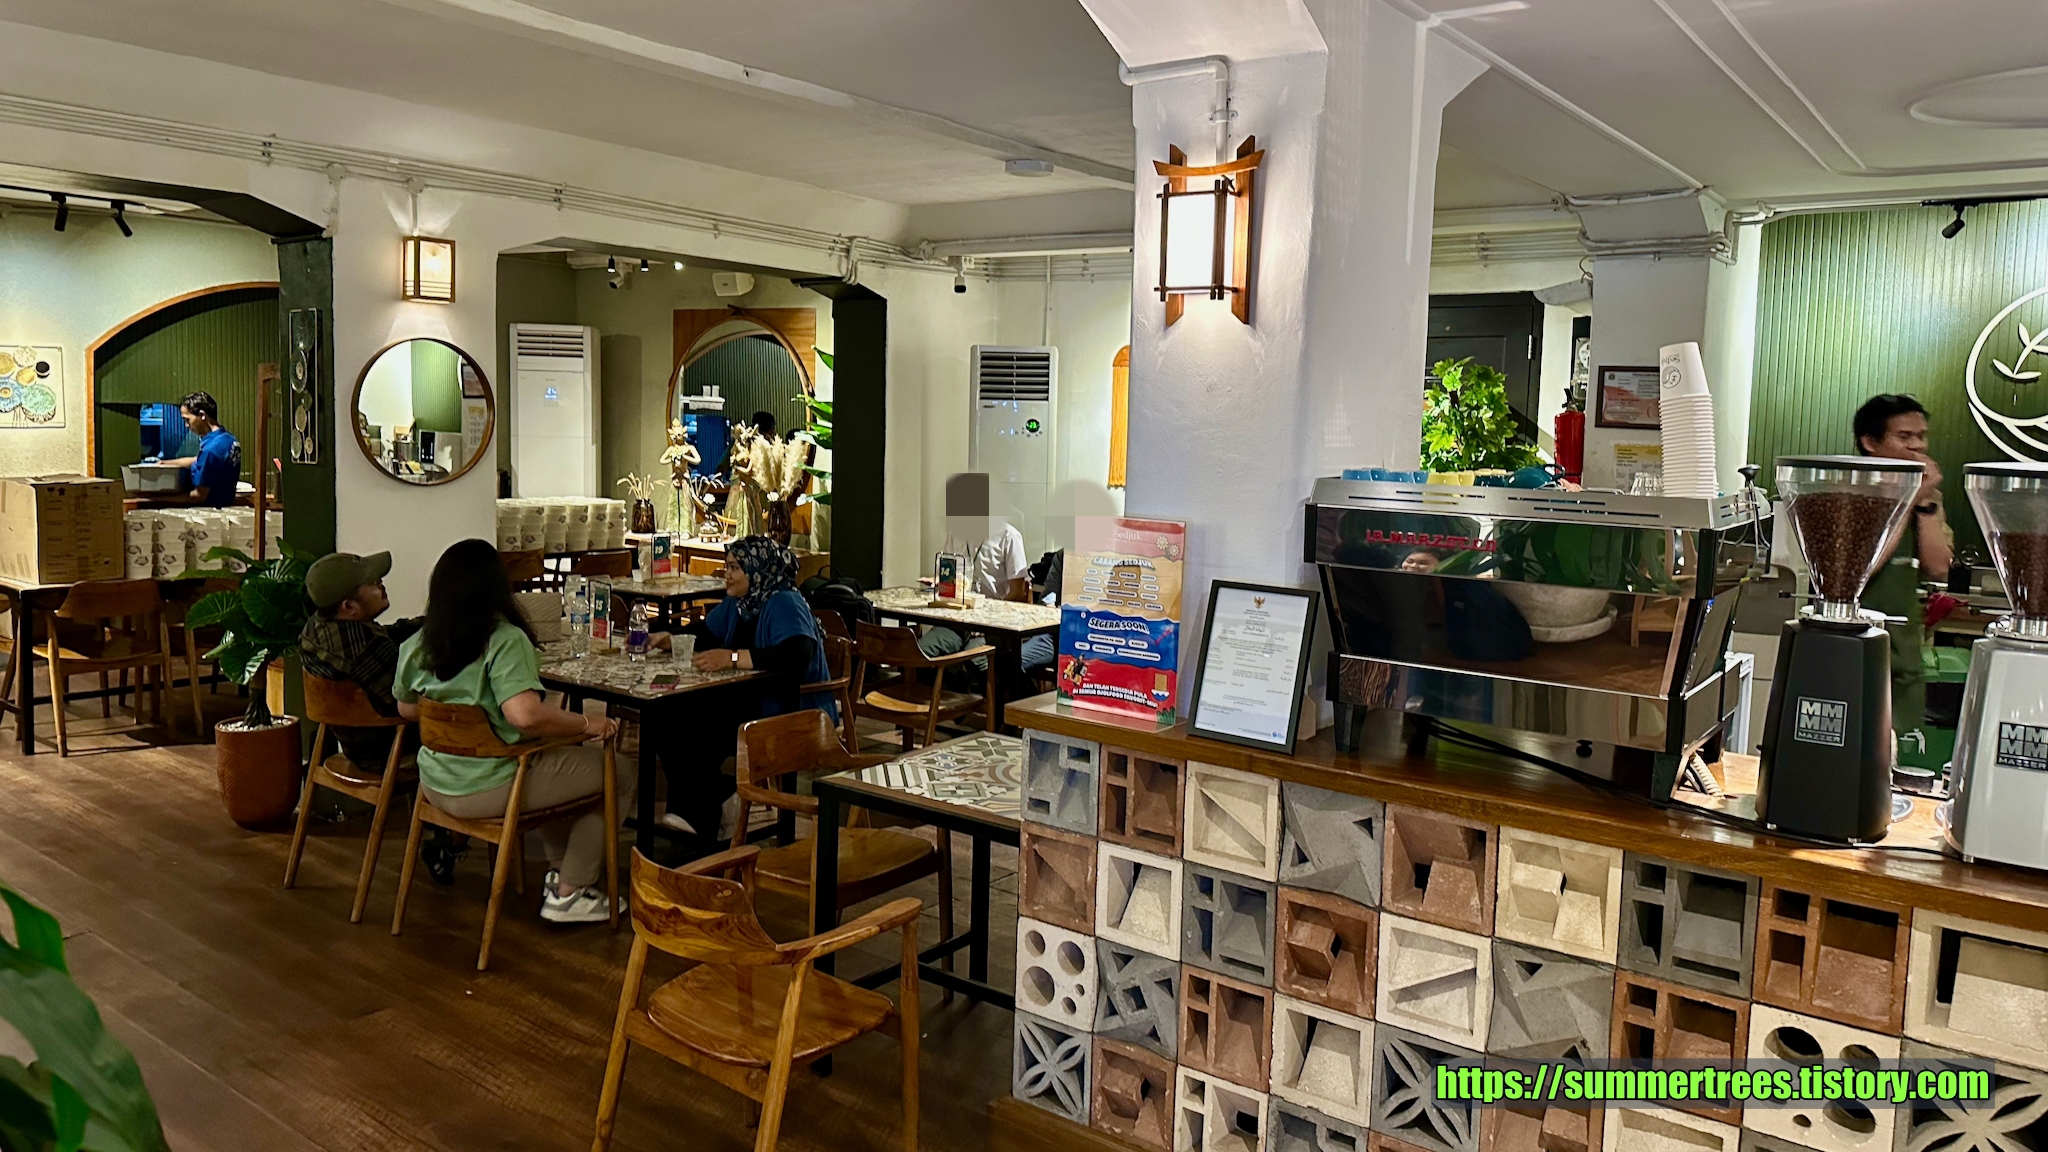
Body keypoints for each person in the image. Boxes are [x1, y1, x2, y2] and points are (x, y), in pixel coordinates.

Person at [393, 539, 632, 923]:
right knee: (617, 773)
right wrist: (589, 724)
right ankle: (571, 891)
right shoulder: (503, 640)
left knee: (558, 764)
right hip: (492, 784)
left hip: (436, 784)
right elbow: (525, 716)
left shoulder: (418, 643)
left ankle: (560, 871)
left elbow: (407, 708)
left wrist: (455, 717)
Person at [656, 535, 834, 850]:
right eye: (727, 567)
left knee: (695, 729)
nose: (727, 575)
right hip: (749, 701)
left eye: (735, 568)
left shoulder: (783, 601)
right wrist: (670, 637)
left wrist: (734, 657)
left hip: (791, 712)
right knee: (669, 715)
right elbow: (706, 633)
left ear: (757, 570)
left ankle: (700, 816)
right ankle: (708, 805)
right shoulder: (740, 602)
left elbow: (797, 653)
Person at [1853, 393, 1954, 735]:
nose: (1918, 446)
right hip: (1857, 652)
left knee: (1900, 752)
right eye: (1905, 436)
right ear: (1870, 443)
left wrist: (1924, 504)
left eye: (1922, 436)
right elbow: (1862, 566)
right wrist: (1910, 500)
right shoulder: (1853, 492)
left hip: (1905, 658)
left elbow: (1938, 567)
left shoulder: (1927, 496)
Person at [299, 551, 421, 770]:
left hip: (354, 744)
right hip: (386, 751)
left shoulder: (316, 628)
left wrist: (428, 624)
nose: (381, 584)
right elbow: (408, 701)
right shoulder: (367, 647)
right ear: (349, 607)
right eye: (373, 583)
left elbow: (386, 634)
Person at [158, 391, 241, 508]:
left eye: (188, 420)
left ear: (202, 415)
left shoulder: (211, 450)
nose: (187, 425)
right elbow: (197, 460)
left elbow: (198, 496)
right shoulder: (229, 440)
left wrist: (158, 499)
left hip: (210, 509)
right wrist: (164, 464)